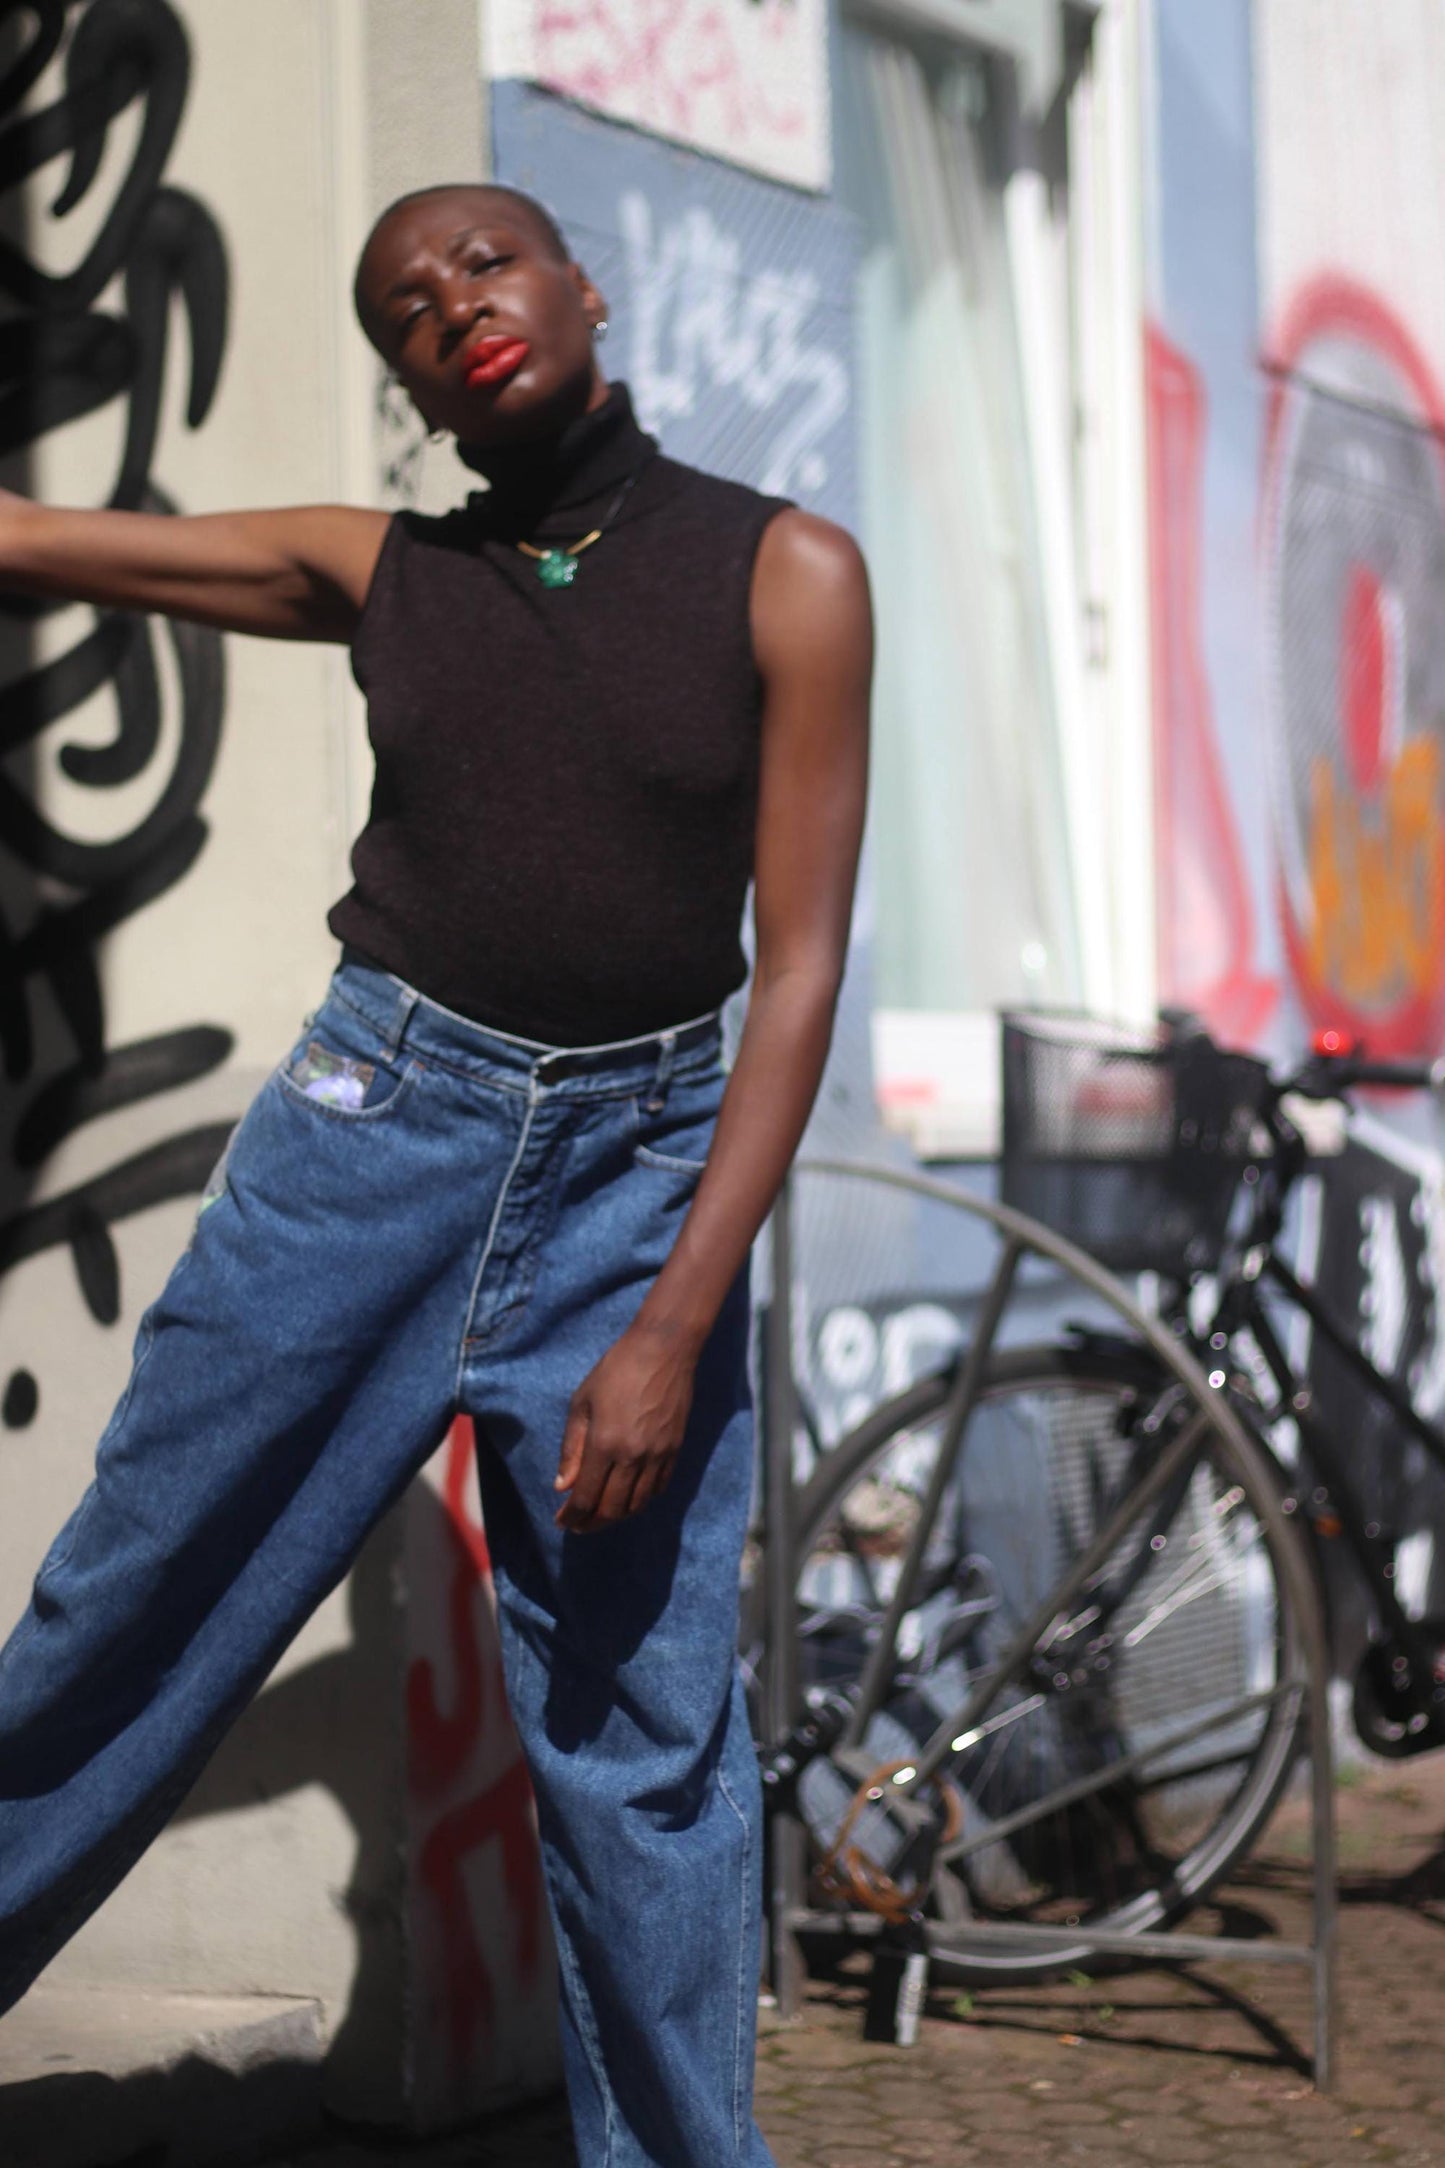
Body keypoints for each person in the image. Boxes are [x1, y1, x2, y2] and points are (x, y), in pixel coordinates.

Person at [0, 184, 871, 2166]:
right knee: (124, 1622)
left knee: (647, 1751)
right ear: (408, 382)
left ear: (580, 281)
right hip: (368, 1154)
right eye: (405, 307)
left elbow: (799, 969)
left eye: (482, 262)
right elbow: (44, 536)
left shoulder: (788, 570)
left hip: (642, 1184)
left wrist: (670, 1322)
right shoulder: (382, 570)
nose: (453, 307)